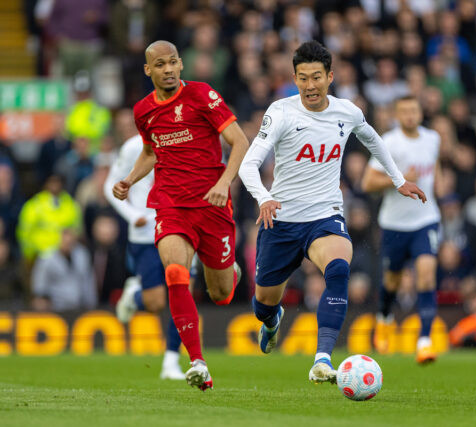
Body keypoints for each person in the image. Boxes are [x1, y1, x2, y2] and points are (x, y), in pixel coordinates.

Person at [238, 41, 425, 384]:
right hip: (280, 219)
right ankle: (272, 319)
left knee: (339, 268)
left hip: (325, 214)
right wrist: (264, 197)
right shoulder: (280, 112)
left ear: (330, 77)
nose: (310, 86)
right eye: (303, 78)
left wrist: (398, 180)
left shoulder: (347, 111)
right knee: (264, 301)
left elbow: (373, 139)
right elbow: (248, 165)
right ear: (294, 78)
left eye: (317, 78)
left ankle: (322, 359)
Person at [112, 40, 249, 391]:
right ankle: (197, 362)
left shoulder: (202, 95)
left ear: (181, 64)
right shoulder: (143, 110)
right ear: (149, 70)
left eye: (173, 62)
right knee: (175, 272)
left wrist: (224, 182)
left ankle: (227, 269)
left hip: (212, 206)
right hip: (171, 205)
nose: (168, 69)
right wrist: (129, 180)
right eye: (160, 64)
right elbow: (149, 151)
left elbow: (240, 142)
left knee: (221, 295)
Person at [361, 95, 442, 364]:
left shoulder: (433, 139)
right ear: (397, 114)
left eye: (414, 110)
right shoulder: (389, 142)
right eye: (404, 111)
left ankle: (425, 341)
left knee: (427, 275)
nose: (409, 115)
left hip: (426, 219)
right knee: (392, 280)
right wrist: (400, 180)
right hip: (395, 223)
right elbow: (368, 183)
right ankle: (384, 318)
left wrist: (437, 189)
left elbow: (433, 170)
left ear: (421, 112)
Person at [104, 134, 184, 380]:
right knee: (156, 303)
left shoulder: (185, 139)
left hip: (180, 229)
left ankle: (171, 361)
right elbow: (111, 185)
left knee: (181, 294)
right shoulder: (133, 146)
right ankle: (135, 295)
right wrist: (131, 215)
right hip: (145, 232)